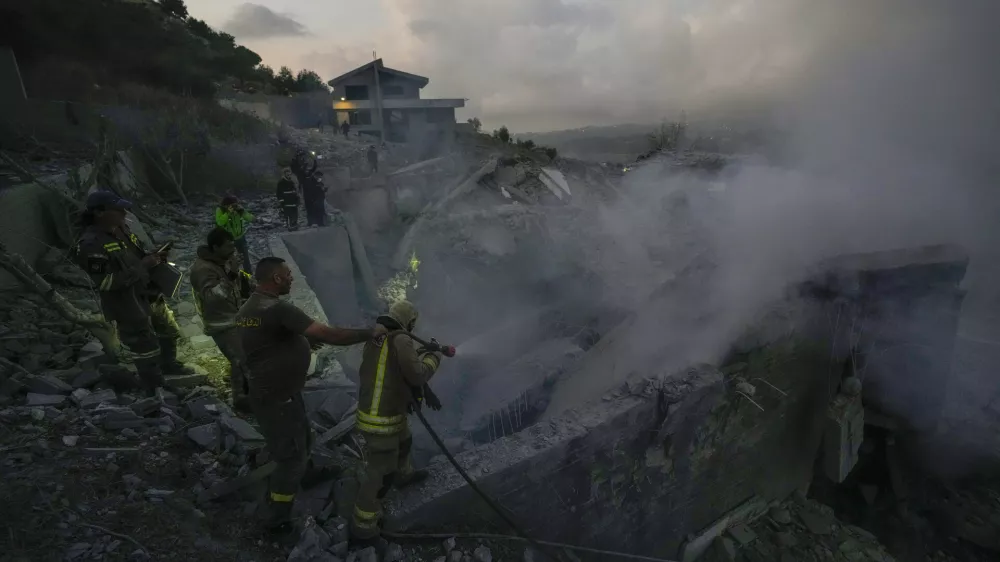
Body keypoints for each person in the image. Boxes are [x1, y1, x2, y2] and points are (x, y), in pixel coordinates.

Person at [237, 257, 387, 533]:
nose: (292, 278)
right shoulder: (278, 309)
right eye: (288, 274)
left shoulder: (251, 307)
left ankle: (307, 474)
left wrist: (301, 342)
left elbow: (266, 341)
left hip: (276, 394)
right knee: (289, 459)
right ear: (277, 279)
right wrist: (371, 332)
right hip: (277, 399)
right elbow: (331, 335)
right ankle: (277, 515)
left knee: (303, 437)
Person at [73, 191, 194, 395]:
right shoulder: (90, 244)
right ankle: (155, 387)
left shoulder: (122, 228)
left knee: (167, 330)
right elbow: (105, 282)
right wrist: (142, 266)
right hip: (127, 303)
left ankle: (169, 365)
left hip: (149, 292)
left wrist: (153, 257)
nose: (124, 212)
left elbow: (136, 255)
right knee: (144, 346)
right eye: (118, 209)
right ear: (99, 212)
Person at [350, 300, 443, 546]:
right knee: (380, 471)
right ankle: (363, 527)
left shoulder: (379, 335)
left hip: (381, 408)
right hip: (382, 415)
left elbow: (394, 366)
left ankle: (404, 475)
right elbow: (416, 373)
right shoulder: (401, 339)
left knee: (405, 440)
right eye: (413, 323)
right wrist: (433, 357)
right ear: (408, 321)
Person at [189, 228, 253, 412]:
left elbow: (239, 283)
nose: (232, 249)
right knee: (240, 359)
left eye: (233, 245)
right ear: (215, 247)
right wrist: (232, 274)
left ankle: (248, 392)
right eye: (228, 246)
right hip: (222, 324)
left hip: (236, 318)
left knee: (245, 356)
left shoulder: (222, 261)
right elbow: (211, 297)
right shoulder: (202, 269)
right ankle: (241, 399)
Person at [214, 195, 254, 274]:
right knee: (227, 257)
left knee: (244, 256)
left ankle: (248, 273)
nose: (234, 206)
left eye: (236, 204)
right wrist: (228, 213)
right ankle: (227, 274)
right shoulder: (220, 210)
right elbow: (220, 222)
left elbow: (250, 218)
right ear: (227, 205)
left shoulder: (238, 209)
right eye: (233, 205)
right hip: (228, 239)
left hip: (240, 237)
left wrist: (242, 211)